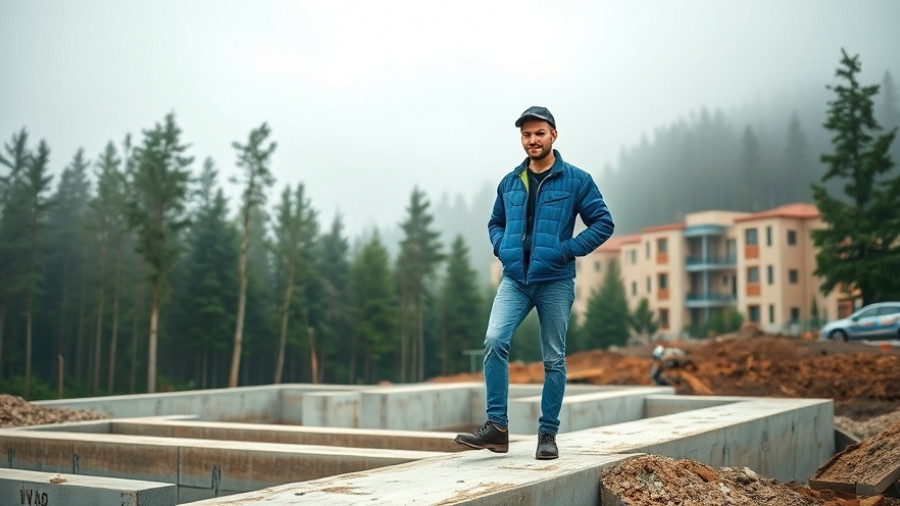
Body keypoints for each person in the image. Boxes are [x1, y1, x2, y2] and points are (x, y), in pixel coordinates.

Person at [455, 106, 614, 460]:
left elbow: (603, 223)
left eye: (539, 133)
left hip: (555, 279)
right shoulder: (510, 182)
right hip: (515, 279)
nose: (532, 140)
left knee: (553, 358)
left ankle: (547, 434)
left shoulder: (577, 180)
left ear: (553, 135)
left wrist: (566, 250)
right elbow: (495, 222)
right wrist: (501, 247)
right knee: (495, 339)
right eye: (526, 134)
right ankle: (497, 427)